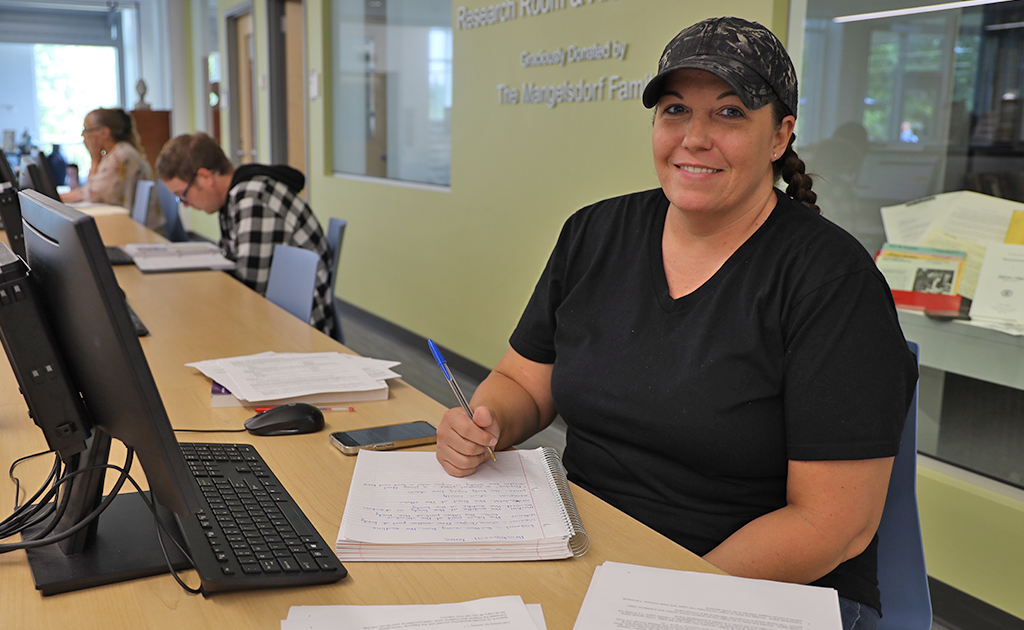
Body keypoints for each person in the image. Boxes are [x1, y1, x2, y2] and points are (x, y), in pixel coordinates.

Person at [434, 16, 917, 630]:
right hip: (593, 547)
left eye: (730, 113)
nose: (694, 137)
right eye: (674, 110)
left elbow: (831, 526)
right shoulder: (594, 233)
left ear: (780, 136)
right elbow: (524, 382)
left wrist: (659, 597)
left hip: (759, 584)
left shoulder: (831, 283)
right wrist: (488, 422)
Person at [155, 132, 335, 337]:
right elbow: (231, 260)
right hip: (276, 314)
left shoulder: (253, 197)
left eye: (182, 194)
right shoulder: (235, 197)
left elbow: (248, 289)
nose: (185, 205)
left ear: (205, 177)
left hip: (298, 329)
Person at [60, 108, 160, 227]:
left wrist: (95, 160)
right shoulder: (116, 153)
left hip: (139, 231)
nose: (83, 135)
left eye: (87, 130)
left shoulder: (121, 156)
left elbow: (92, 194)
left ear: (104, 133)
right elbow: (90, 190)